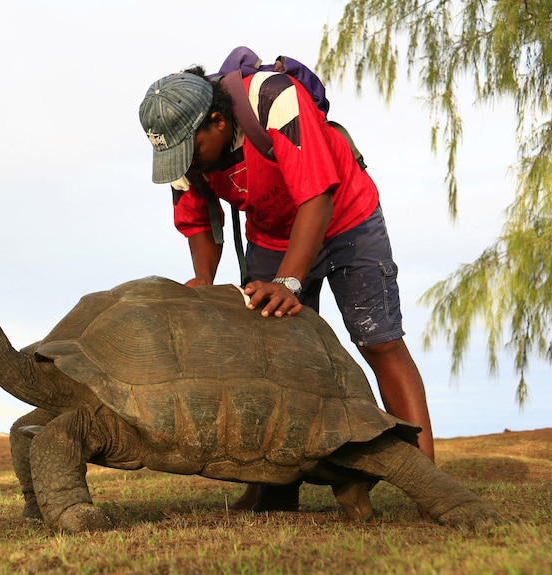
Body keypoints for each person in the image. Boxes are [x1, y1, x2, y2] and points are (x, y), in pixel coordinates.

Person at [138, 57, 436, 511]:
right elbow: (199, 222)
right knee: (271, 359)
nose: (186, 162)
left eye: (192, 150)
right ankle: (272, 490)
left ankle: (429, 484)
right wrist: (202, 279)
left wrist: (288, 281)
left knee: (378, 342)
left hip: (344, 217)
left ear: (217, 121)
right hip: (271, 233)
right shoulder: (180, 144)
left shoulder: (274, 99)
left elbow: (316, 197)